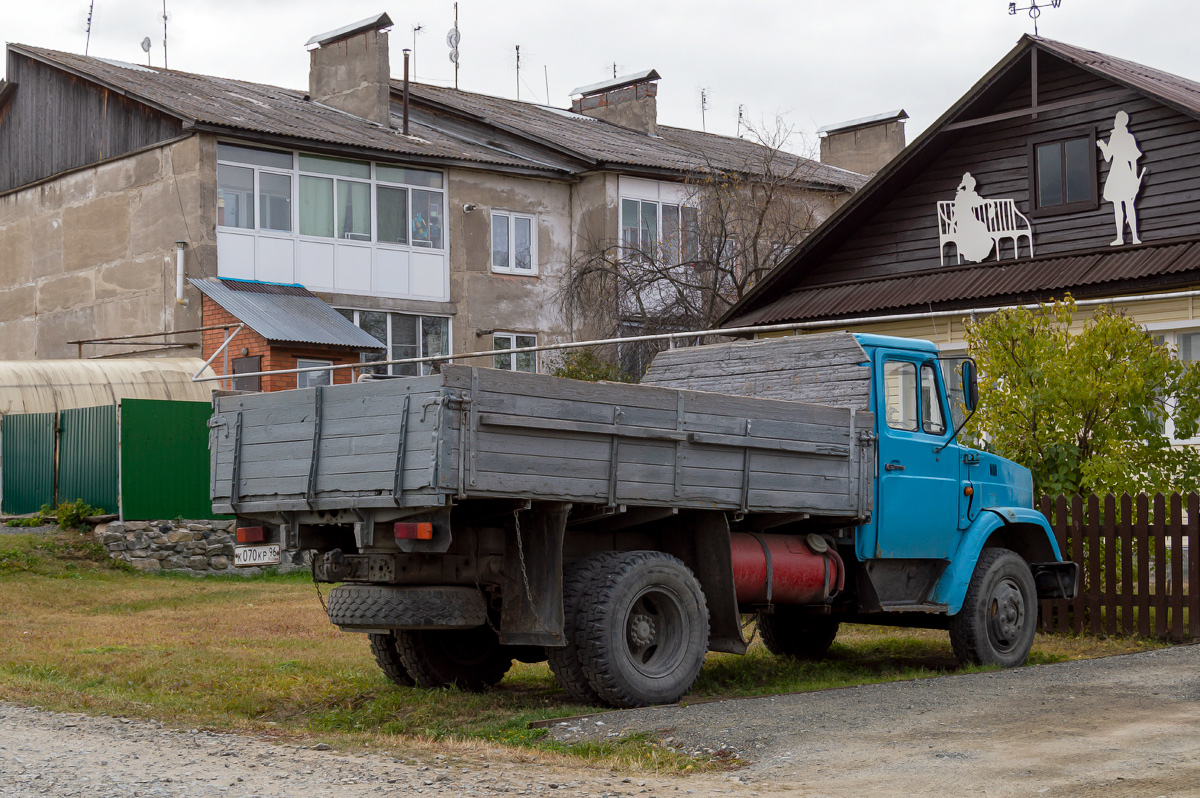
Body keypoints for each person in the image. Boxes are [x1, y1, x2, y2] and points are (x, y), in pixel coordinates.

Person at [1097, 110, 1146, 246]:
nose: (1115, 123)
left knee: (1128, 204)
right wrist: (1103, 147)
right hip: (1116, 172)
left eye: (1116, 121)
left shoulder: (1128, 137)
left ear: (1120, 122)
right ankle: (1120, 237)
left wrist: (1134, 177)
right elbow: (1108, 157)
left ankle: (1135, 237)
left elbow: (1133, 160)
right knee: (1118, 205)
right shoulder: (1114, 137)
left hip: (1124, 172)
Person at [951, 172, 994, 263]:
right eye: (970, 186)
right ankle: (974, 254)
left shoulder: (970, 194)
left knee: (980, 226)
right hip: (964, 220)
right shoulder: (962, 196)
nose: (971, 188)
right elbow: (960, 209)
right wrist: (952, 223)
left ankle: (979, 254)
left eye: (972, 186)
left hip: (969, 218)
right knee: (977, 228)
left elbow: (978, 202)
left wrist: (989, 202)